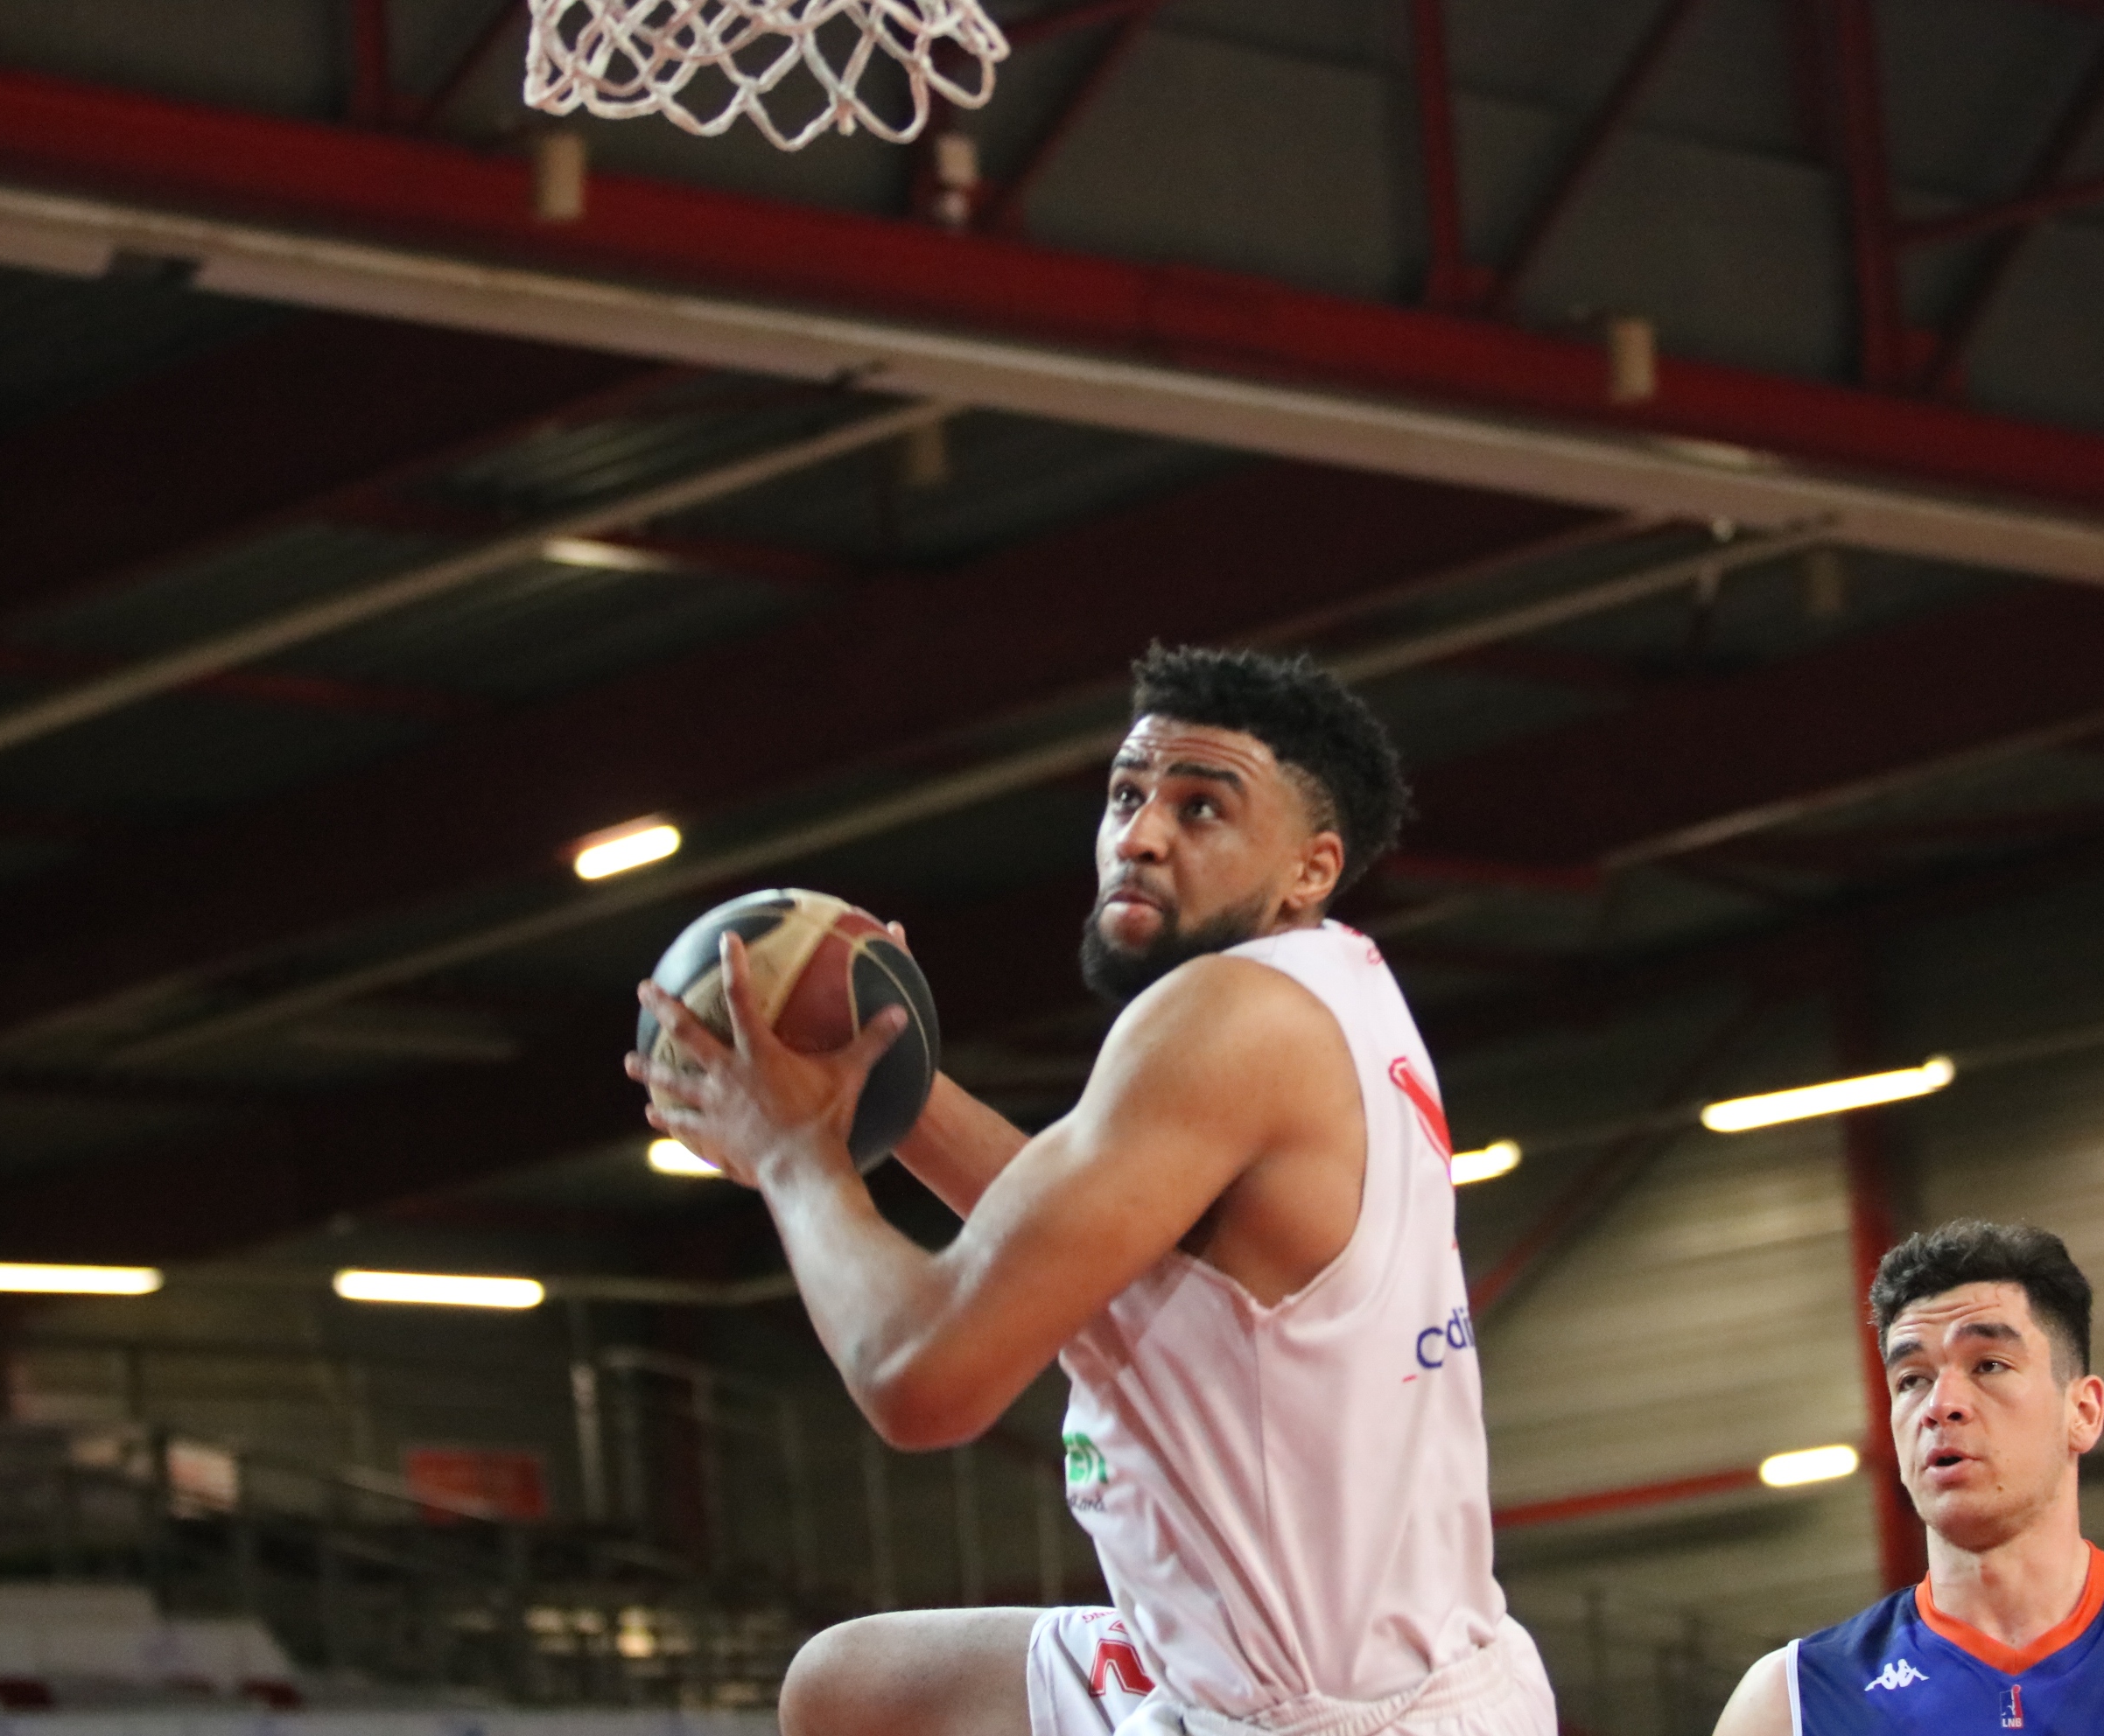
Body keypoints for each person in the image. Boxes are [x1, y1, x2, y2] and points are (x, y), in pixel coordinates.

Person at [629, 644, 1555, 1736]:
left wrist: (794, 1156)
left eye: (1202, 807)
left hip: (1332, 1720)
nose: (1142, 834)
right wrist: (883, 1076)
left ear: (1309, 868)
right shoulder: (1328, 983)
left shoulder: (1226, 1018)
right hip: (1314, 1670)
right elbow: (1082, 1224)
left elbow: (921, 1381)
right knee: (855, 1688)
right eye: (1127, 795)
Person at [1712, 1221, 2104, 1736]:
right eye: (1912, 1379)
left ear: (2084, 1411)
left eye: (1988, 1364)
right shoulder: (1790, 1706)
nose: (1941, 1404)